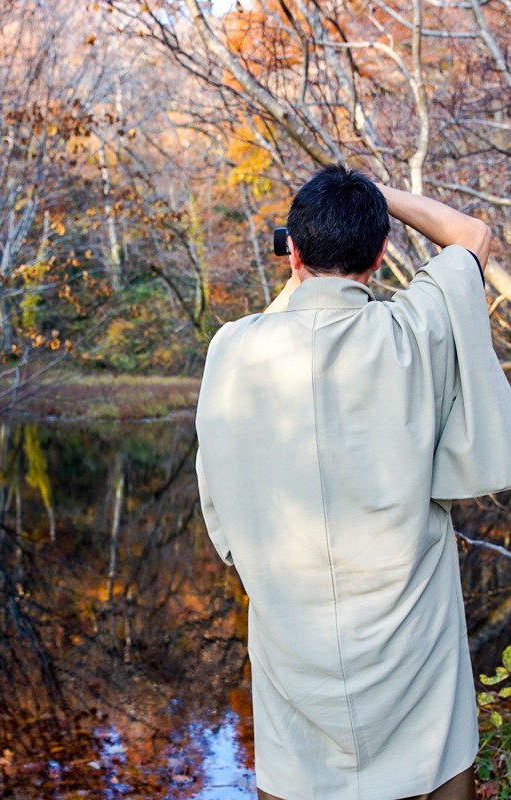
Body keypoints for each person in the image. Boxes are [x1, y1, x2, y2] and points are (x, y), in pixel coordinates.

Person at [195, 166, 511, 800]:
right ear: (380, 252)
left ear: (296, 251)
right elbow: (472, 235)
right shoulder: (413, 330)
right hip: (412, 642)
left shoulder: (236, 348)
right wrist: (376, 194)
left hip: (295, 650)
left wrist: (305, 262)